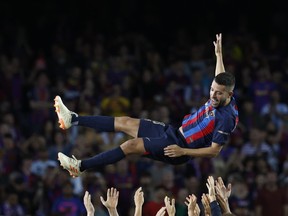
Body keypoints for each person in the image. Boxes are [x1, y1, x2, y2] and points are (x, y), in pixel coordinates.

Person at [55, 33, 238, 177]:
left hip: (178, 147)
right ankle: (72, 119)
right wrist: (219, 55)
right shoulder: (222, 90)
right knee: (125, 122)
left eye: (218, 93)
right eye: (212, 89)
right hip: (173, 132)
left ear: (228, 94)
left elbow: (214, 151)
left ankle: (79, 166)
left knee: (130, 146)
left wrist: (182, 151)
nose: (213, 95)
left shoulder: (226, 118)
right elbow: (219, 78)